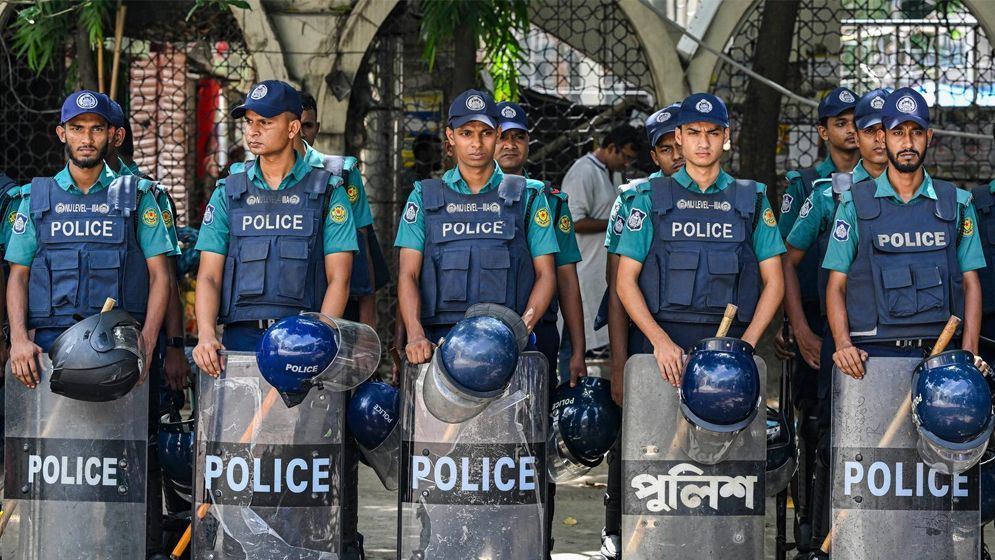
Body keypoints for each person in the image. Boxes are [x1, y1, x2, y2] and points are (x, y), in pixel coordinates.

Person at [4, 90, 174, 555]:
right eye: (77, 128)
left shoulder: (139, 197)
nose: (86, 138)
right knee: (53, 467)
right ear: (61, 133)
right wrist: (18, 340)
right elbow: (18, 276)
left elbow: (162, 276)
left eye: (96, 128)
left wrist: (147, 346)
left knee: (123, 466)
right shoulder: (33, 199)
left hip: (116, 354)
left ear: (112, 135)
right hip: (49, 358)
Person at [781, 88, 890, 552]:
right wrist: (799, 328)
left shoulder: (916, 190)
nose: (875, 137)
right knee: (826, 433)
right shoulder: (819, 190)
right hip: (829, 327)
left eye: (883, 129)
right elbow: (785, 260)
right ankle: (819, 533)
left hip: (892, 334)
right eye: (848, 125)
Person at [192, 80, 357, 363]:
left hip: (303, 337)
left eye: (265, 122)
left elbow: (339, 278)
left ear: (293, 129)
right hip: (241, 339)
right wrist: (206, 335)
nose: (253, 131)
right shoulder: (228, 192)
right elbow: (209, 275)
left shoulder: (329, 192)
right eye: (249, 122)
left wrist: (319, 339)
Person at [824, 86, 984, 375]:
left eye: (916, 132)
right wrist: (843, 343)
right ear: (883, 138)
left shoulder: (958, 204)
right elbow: (836, 284)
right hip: (871, 357)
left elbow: (971, 283)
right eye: (898, 132)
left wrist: (970, 352)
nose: (908, 143)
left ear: (929, 137)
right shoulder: (853, 204)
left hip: (942, 353)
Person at [395, 88, 558, 360]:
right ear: (451, 137)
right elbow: (408, 274)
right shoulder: (423, 197)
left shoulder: (528, 196)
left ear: (497, 133)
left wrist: (521, 331)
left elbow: (546, 274)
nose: (476, 143)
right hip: (438, 344)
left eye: (486, 133)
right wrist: (415, 335)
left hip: (509, 342)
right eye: (466, 133)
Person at [494, 99, 583, 558]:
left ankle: (535, 542)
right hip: (469, 341)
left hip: (534, 341)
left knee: (532, 445)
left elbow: (566, 280)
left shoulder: (546, 200)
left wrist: (577, 349)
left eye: (519, 137)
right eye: (502, 136)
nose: (510, 144)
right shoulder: (449, 198)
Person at [596, 101, 683, 559]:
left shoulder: (725, 200)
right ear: (654, 155)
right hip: (644, 345)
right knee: (633, 438)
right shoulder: (635, 200)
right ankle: (616, 526)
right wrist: (619, 363)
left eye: (681, 144)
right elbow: (617, 292)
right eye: (666, 149)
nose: (678, 156)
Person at [560, 124, 642, 369]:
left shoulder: (612, 172)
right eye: (625, 157)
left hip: (600, 271)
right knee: (574, 344)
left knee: (595, 349)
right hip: (582, 270)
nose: (627, 164)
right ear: (611, 148)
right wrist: (617, 224)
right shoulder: (583, 172)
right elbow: (573, 221)